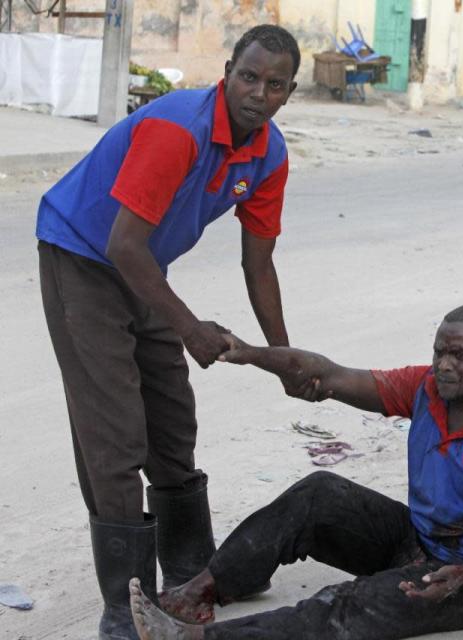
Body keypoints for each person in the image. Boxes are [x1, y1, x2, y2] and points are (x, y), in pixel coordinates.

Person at [36, 24, 301, 639]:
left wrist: (282, 356)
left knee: (173, 420)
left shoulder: (270, 154)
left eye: (276, 85)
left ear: (289, 94)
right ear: (227, 70)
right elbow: (121, 244)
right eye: (249, 77)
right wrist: (190, 327)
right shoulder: (178, 127)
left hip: (143, 266)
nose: (259, 93)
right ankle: (125, 604)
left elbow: (258, 262)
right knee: (116, 433)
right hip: (81, 255)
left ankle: (190, 570)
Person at [127, 304, 463, 640]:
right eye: (440, 352)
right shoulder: (426, 388)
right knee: (319, 493)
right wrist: (249, 353)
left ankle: (199, 638)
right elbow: (330, 374)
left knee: (348, 606)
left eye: (462, 355)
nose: (445, 365)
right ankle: (202, 589)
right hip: (420, 539)